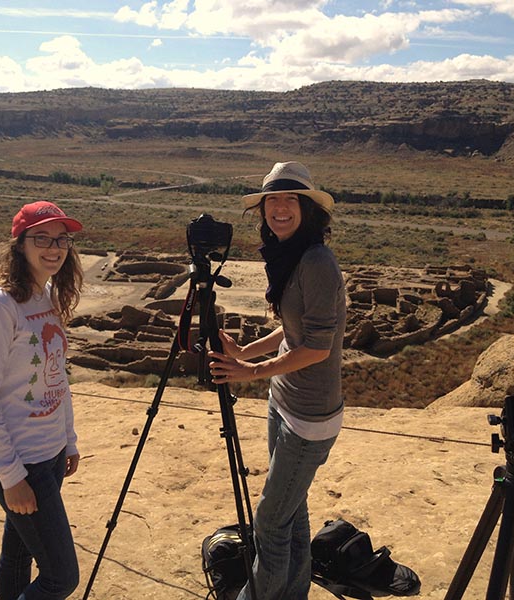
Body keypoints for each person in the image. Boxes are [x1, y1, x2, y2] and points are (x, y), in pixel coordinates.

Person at [208, 161, 347, 600]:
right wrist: (246, 351)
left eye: (291, 199)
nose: (281, 208)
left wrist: (250, 373)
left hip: (309, 416)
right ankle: (292, 593)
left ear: (309, 209)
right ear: (263, 209)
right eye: (273, 200)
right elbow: (295, 332)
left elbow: (318, 348)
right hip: (284, 403)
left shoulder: (317, 261)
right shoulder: (291, 255)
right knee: (292, 512)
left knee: (269, 521)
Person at [0, 200, 84, 600]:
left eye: (61, 239)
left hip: (48, 455)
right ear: (19, 244)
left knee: (17, 556)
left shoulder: (46, 295)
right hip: (21, 461)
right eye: (42, 239)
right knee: (61, 577)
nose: (54, 248)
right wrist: (11, 477)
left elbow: (57, 377)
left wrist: (67, 439)